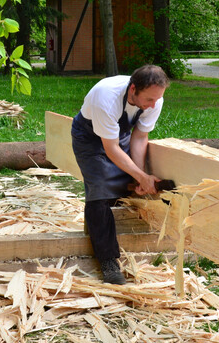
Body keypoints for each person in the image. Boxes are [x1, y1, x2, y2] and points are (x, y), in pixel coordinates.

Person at [71, 64, 169, 284]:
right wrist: (142, 177)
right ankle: (108, 261)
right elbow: (111, 148)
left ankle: (114, 232)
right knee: (99, 190)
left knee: (125, 183)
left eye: (157, 99)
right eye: (149, 99)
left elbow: (139, 137)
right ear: (133, 89)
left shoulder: (155, 100)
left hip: (117, 134)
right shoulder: (106, 97)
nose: (154, 105)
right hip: (88, 137)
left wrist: (139, 177)